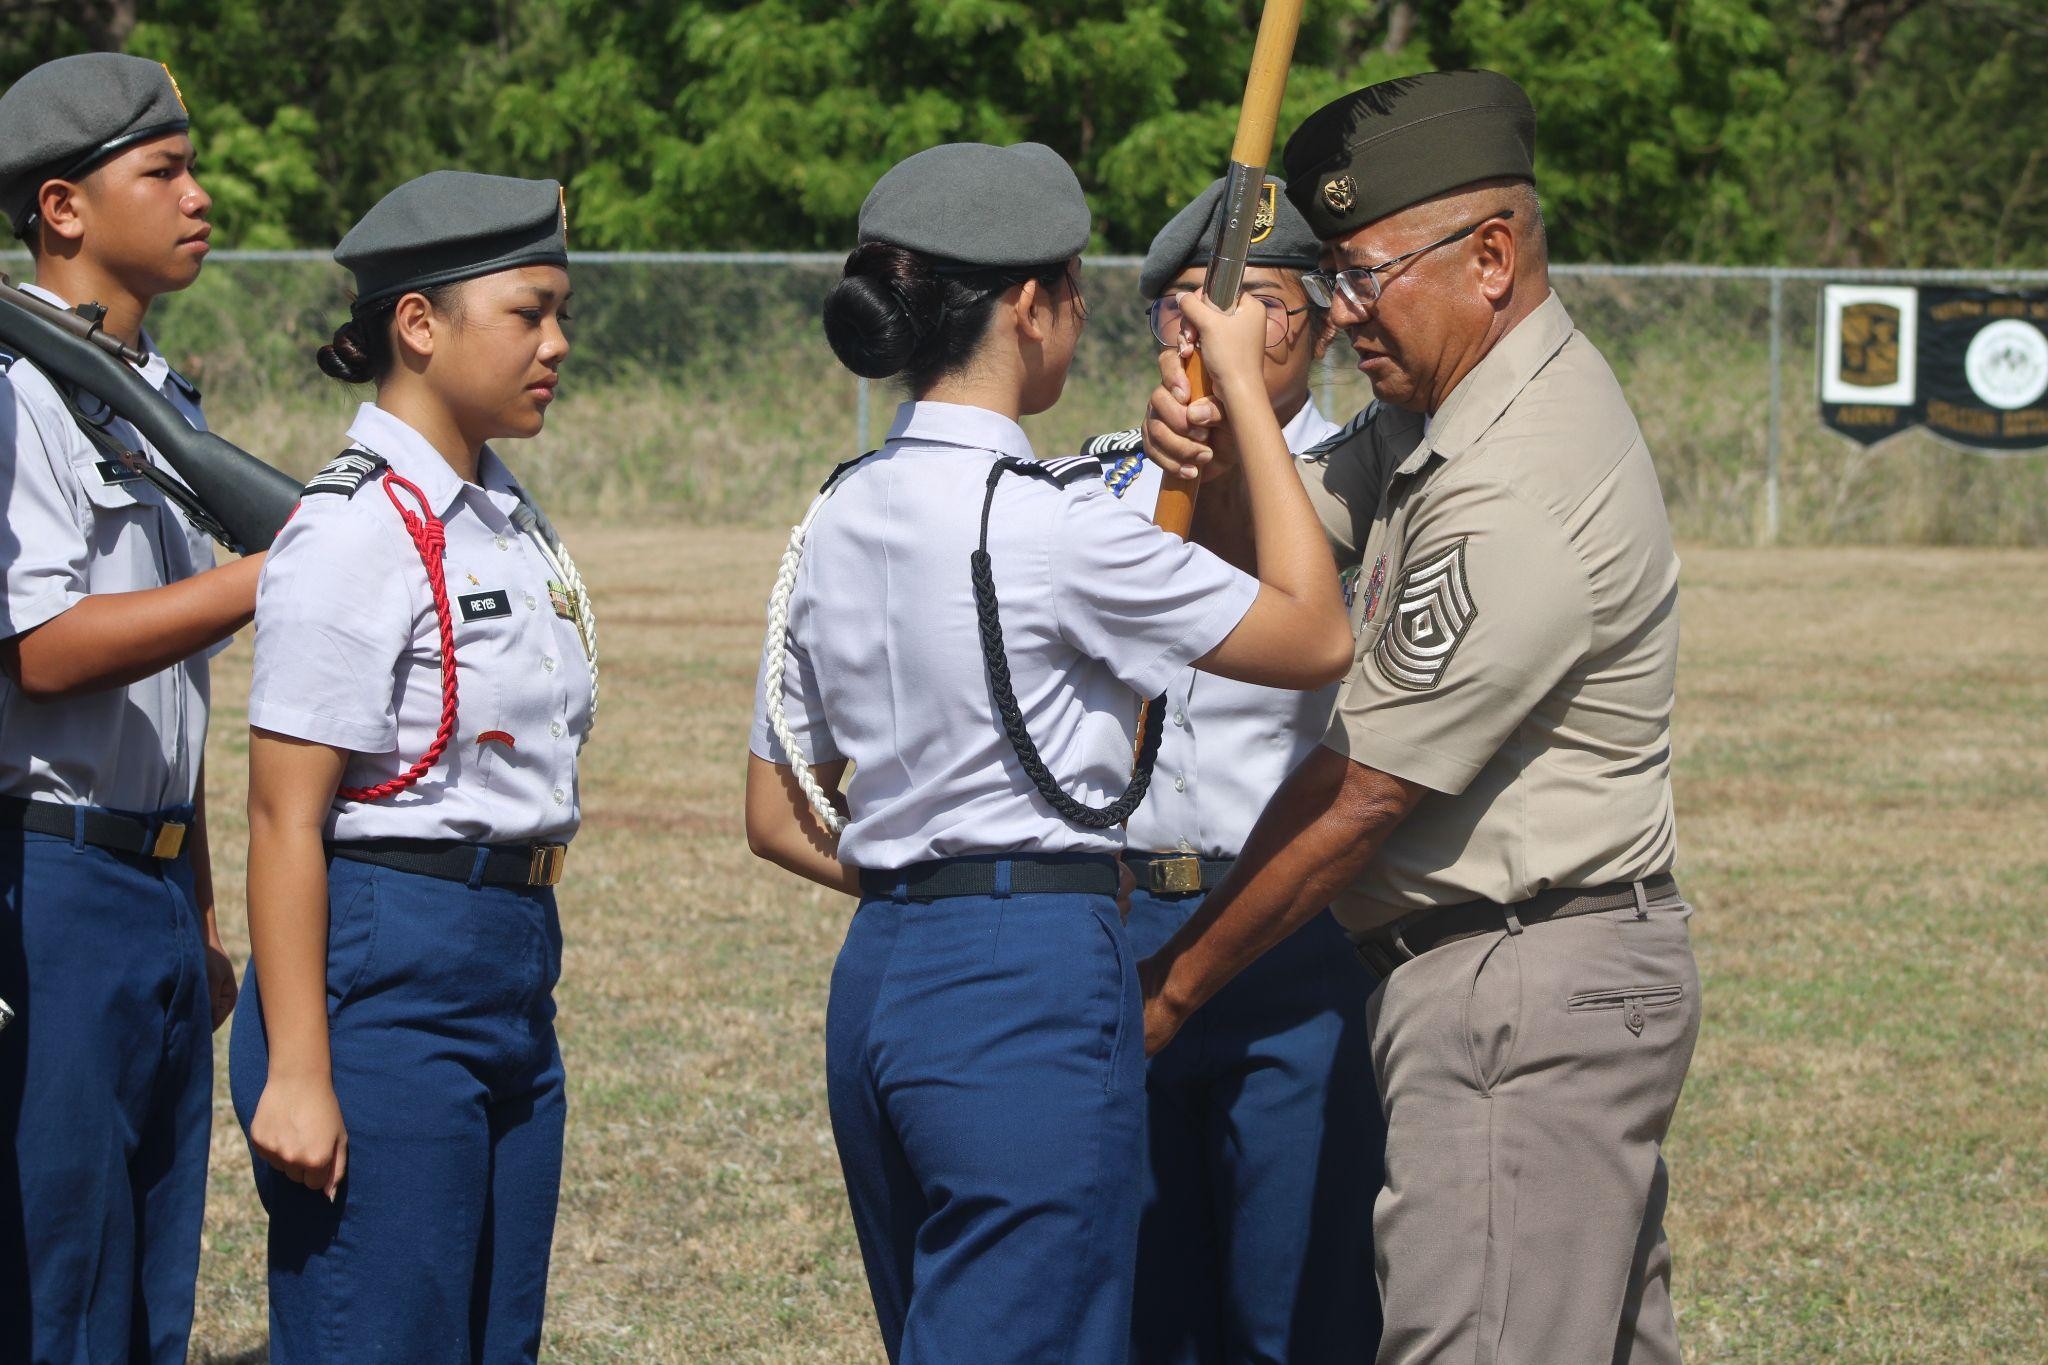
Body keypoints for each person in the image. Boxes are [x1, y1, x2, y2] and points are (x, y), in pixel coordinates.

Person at [744, 141, 1351, 1364]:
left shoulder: (838, 507)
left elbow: (775, 813)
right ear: (1030, 308)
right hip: (1023, 982)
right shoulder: (1052, 524)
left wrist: (930, 873)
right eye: (1073, 292)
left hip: (881, 970)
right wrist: (1240, 391)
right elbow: (1313, 635)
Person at [1139, 71, 1702, 1364]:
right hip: (1513, 973)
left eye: (1366, 275)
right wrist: (1209, 447)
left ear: (1490, 258)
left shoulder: (1517, 480)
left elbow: (1358, 797)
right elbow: (1269, 547)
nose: (1342, 312)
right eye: (1332, 276)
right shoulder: (1443, 409)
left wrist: (1169, 991)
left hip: (1518, 987)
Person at [228, 170, 595, 1363]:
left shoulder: (501, 515)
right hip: (387, 974)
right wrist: (298, 1070)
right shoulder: (354, 528)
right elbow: (283, 818)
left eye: (560, 313)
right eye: (528, 312)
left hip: (510, 964)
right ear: (420, 324)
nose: (556, 343)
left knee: (494, 1336)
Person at [1084, 174, 1384, 1364]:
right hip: (1122, 916)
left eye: (1254, 302)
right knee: (1142, 1304)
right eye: (1185, 304)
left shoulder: (1369, 489)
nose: (1210, 329)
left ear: (1319, 324)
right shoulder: (1094, 486)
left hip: (1289, 925)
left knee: (1294, 1307)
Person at [0, 53, 255, 1364]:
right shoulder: (19, 395)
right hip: (52, 881)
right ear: (62, 207)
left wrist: (197, 906)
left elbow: (172, 696)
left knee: (155, 1283)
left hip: (150, 884)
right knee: (59, 1284)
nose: (199, 197)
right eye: (163, 172)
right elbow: (42, 652)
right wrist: (271, 575)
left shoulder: (154, 398)